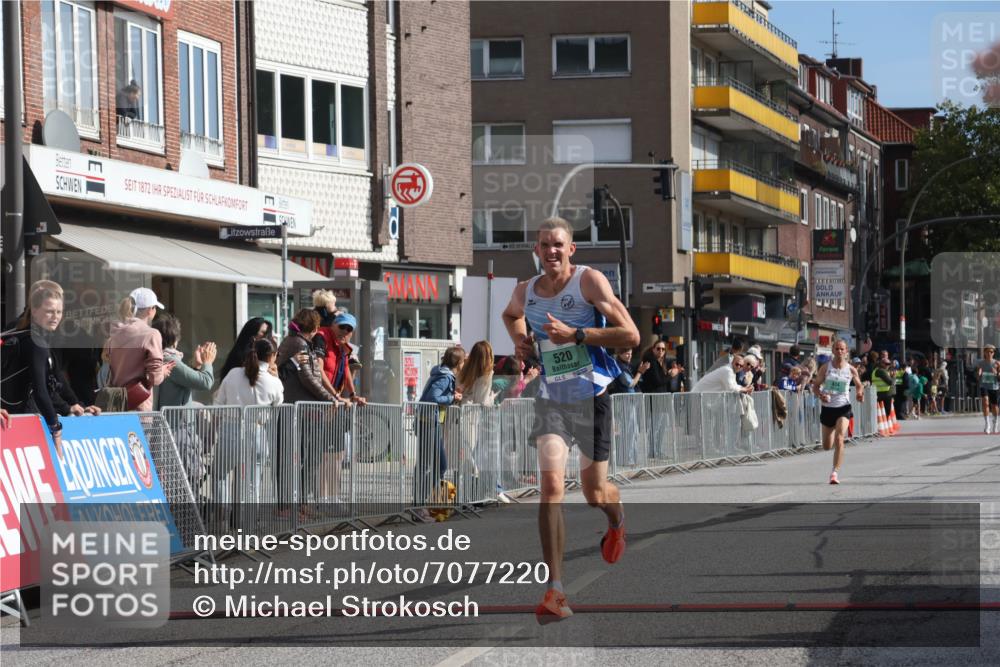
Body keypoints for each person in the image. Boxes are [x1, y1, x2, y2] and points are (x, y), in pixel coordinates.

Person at [502, 216, 638, 623]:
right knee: (551, 486)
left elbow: (630, 335)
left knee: (595, 493)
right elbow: (511, 315)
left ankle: (616, 521)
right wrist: (520, 340)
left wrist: (577, 336)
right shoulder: (526, 291)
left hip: (591, 395)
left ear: (571, 249)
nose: (551, 251)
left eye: (558, 244)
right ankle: (555, 590)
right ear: (537, 250)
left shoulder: (589, 282)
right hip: (551, 397)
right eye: (544, 245)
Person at [1, 282, 96, 458]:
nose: (55, 317)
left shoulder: (33, 335)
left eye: (59, 312)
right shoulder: (34, 340)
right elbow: (41, 390)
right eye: (49, 311)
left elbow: (55, 375)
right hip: (17, 420)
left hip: (15, 417)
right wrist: (56, 428)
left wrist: (73, 404)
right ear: (35, 310)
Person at [276, 309, 348, 507]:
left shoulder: (296, 341)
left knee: (308, 458)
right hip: (300, 409)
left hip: (304, 408)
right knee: (303, 459)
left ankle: (300, 503)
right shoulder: (299, 344)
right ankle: (295, 505)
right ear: (315, 328)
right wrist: (330, 397)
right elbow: (306, 376)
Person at [105, 288, 172, 412]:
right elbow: (155, 378)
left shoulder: (116, 333)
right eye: (155, 307)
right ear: (150, 310)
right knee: (138, 432)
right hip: (138, 406)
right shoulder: (151, 334)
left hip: (116, 405)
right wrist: (162, 371)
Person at [414, 346, 465, 508]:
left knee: (440, 464)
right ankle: (418, 503)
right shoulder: (445, 377)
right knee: (426, 464)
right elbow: (433, 397)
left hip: (432, 422)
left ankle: (423, 499)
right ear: (458, 362)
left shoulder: (442, 373)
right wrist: (452, 397)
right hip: (428, 421)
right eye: (463, 361)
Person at [812, 338, 864, 485]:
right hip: (828, 409)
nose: (839, 351)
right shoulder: (825, 368)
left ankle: (834, 473)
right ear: (833, 351)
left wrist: (860, 394)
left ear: (846, 351)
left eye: (842, 349)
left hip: (844, 408)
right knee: (827, 446)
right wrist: (820, 394)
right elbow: (816, 386)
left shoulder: (851, 369)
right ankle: (833, 431)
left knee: (840, 438)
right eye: (837, 349)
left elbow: (859, 385)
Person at [152, 313, 216, 409]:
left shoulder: (160, 358)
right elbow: (205, 382)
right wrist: (208, 362)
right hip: (175, 423)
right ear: (175, 341)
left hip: (171, 421)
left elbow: (181, 380)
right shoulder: (170, 361)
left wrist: (195, 365)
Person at [976, 345, 1000, 433]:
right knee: (985, 402)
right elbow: (978, 377)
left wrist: (997, 373)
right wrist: (978, 374)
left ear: (993, 353)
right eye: (988, 352)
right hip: (984, 386)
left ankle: (995, 422)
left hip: (994, 387)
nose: (989, 353)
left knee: (994, 406)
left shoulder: (997, 363)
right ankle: (987, 424)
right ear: (984, 352)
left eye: (991, 352)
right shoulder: (980, 363)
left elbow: (999, 378)